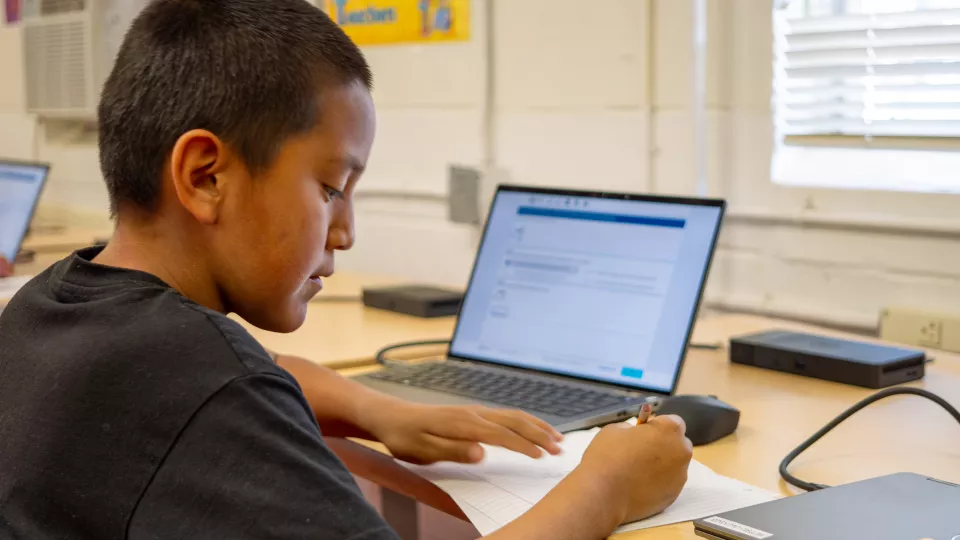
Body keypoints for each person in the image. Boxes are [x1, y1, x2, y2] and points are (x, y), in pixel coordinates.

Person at [0, 0, 692, 539]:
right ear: (205, 175)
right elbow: (226, 384)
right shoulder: (212, 386)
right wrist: (606, 488)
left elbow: (242, 375)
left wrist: (371, 407)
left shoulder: (54, 303)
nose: (347, 231)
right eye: (332, 187)